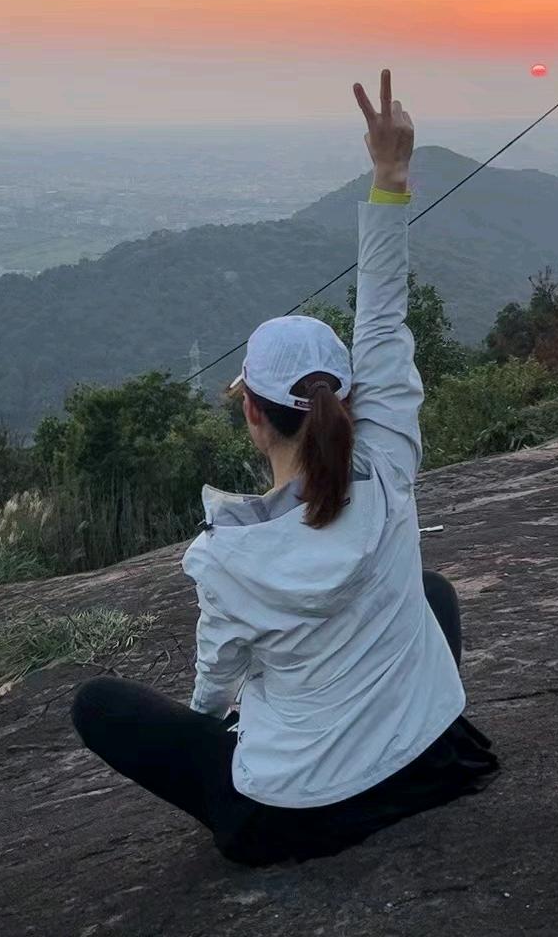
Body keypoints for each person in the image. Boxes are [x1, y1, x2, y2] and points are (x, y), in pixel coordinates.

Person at [71, 69, 498, 866]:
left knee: (98, 705)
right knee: (430, 591)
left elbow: (214, 685)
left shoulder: (230, 555)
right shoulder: (388, 466)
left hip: (302, 813)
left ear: (252, 414)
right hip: (434, 762)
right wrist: (390, 178)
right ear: (346, 400)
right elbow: (384, 316)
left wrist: (218, 722)